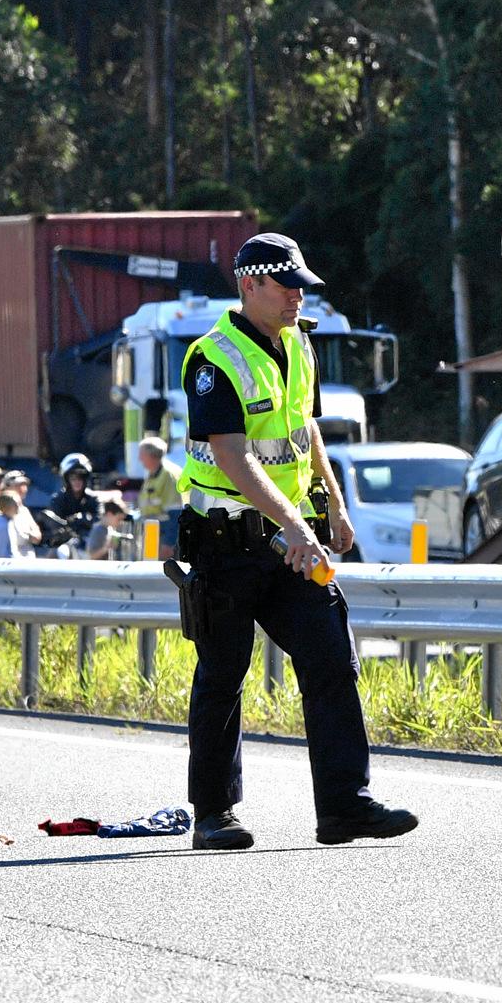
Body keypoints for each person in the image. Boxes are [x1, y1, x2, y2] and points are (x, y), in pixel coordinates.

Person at [173, 232, 416, 851]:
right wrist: (297, 524)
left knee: (332, 660)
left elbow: (303, 429)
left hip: (287, 545)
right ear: (249, 284)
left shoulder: (299, 344)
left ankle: (345, 807)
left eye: (302, 286)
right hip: (226, 543)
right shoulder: (213, 357)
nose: (298, 296)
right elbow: (231, 455)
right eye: (287, 285)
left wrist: (331, 500)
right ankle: (213, 814)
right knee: (224, 674)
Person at [135, 435, 180, 558]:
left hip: (164, 533)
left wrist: (169, 543)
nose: (139, 459)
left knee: (160, 570)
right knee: (149, 567)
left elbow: (176, 512)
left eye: (142, 455)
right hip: (151, 530)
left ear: (152, 455)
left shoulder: (168, 475)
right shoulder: (151, 475)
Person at [48, 451, 99, 551]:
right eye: (73, 478)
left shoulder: (93, 498)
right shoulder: (57, 500)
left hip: (91, 545)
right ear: (67, 480)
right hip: (65, 545)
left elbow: (100, 521)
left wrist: (84, 518)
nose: (77, 482)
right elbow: (54, 527)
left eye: (80, 478)